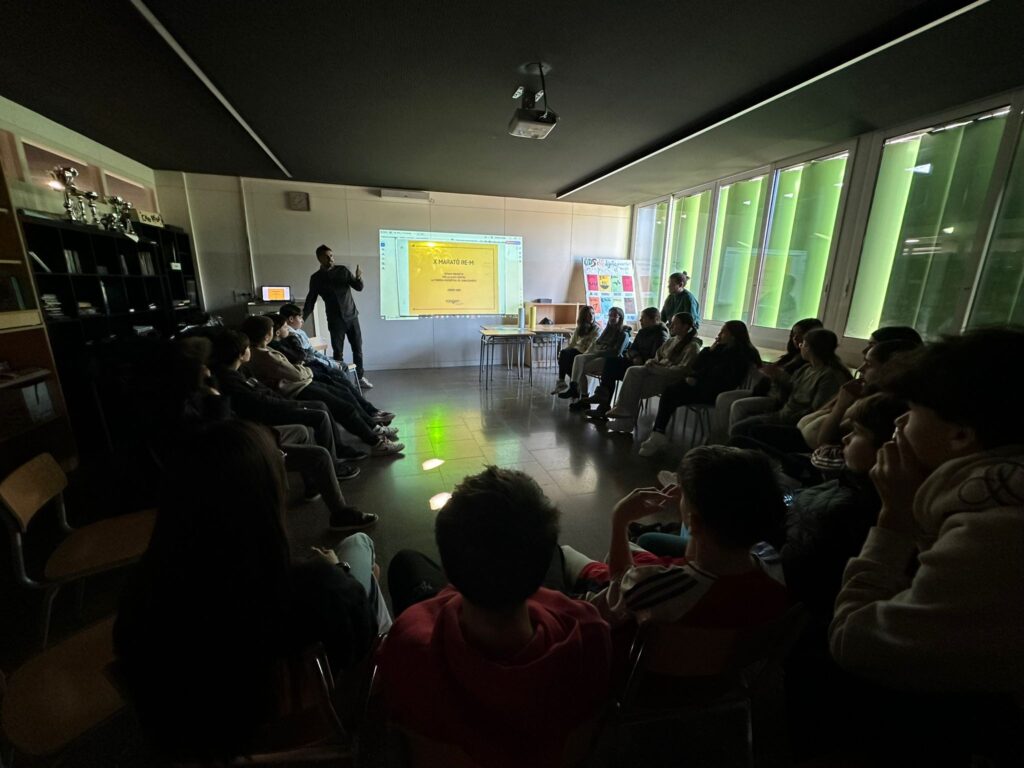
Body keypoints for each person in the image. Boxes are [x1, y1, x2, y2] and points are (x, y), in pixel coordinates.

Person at [114, 420, 389, 759]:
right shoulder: (312, 590)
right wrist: (340, 572)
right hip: (313, 732)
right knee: (358, 545)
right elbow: (360, 643)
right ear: (264, 496)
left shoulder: (141, 596)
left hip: (203, 748)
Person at [829, 328, 1024, 693]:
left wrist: (894, 522)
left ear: (961, 434)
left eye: (912, 410)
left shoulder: (992, 535)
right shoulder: (991, 496)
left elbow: (852, 642)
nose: (899, 423)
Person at [375, 467, 611, 768]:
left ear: (449, 572)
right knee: (555, 551)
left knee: (406, 562)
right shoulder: (589, 634)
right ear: (539, 574)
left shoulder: (408, 645)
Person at [562, 447, 788, 661]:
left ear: (694, 523)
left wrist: (619, 520)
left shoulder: (652, 586)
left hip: (631, 671)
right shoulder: (774, 570)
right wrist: (693, 504)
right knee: (636, 547)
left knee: (565, 553)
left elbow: (618, 584)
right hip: (722, 681)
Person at [782, 393, 907, 620]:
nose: (846, 439)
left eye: (857, 432)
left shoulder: (854, 511)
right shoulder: (851, 483)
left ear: (888, 447)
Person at [240, 315, 404, 456]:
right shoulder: (265, 355)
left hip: (302, 384)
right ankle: (376, 443)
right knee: (344, 408)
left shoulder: (264, 351)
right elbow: (296, 373)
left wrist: (302, 369)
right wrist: (306, 370)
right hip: (298, 389)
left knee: (344, 397)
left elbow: (296, 366)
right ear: (267, 334)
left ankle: (372, 431)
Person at [638, 320, 761, 456]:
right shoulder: (719, 349)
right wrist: (709, 351)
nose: (719, 334)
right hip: (703, 386)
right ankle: (658, 432)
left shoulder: (741, 355)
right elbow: (697, 366)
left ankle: (658, 433)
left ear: (733, 336)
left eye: (723, 332)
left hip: (717, 392)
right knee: (671, 391)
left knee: (672, 393)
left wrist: (698, 378)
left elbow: (721, 376)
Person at [729, 328, 852, 452]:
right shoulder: (806, 368)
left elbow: (816, 409)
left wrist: (783, 417)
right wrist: (777, 377)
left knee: (743, 430)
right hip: (784, 414)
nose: (800, 346)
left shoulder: (829, 376)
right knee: (740, 429)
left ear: (810, 348)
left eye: (803, 344)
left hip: (795, 422)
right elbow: (791, 390)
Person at [272, 307, 395, 425]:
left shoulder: (299, 332)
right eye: (299, 317)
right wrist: (330, 363)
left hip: (315, 365)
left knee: (344, 381)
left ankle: (369, 412)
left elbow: (312, 352)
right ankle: (367, 415)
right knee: (343, 385)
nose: (302, 320)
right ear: (291, 319)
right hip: (312, 368)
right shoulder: (290, 337)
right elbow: (305, 357)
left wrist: (330, 361)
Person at [598, 312, 701, 426]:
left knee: (636, 385)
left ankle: (625, 420)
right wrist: (651, 362)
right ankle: (623, 411)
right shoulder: (671, 340)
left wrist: (655, 368)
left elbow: (680, 371)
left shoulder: (692, 347)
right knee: (632, 371)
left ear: (685, 326)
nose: (671, 326)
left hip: (667, 378)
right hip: (656, 370)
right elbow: (657, 356)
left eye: (675, 324)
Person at [302, 244, 372, 389]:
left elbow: (358, 287)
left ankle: (360, 378)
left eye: (332, 256)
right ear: (319, 258)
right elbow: (310, 300)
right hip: (335, 320)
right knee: (338, 352)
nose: (331, 259)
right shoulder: (316, 278)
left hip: (352, 316)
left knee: (357, 349)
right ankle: (341, 381)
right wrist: (302, 318)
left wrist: (359, 277)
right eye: (327, 257)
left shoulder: (342, 271)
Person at [577, 306, 668, 416]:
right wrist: (635, 356)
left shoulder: (660, 335)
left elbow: (656, 356)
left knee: (613, 367)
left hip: (645, 367)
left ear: (654, 319)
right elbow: (632, 349)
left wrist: (640, 358)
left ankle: (606, 405)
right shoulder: (642, 332)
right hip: (635, 362)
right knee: (611, 363)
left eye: (643, 318)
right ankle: (602, 400)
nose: (640, 320)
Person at [559, 306, 628, 403]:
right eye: (610, 316)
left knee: (580, 367)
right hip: (597, 353)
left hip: (607, 359)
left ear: (620, 318)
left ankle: (583, 397)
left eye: (615, 316)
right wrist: (598, 349)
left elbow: (616, 352)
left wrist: (601, 350)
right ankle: (573, 387)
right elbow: (597, 343)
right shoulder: (607, 331)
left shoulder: (623, 334)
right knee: (578, 358)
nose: (612, 318)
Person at [550, 305, 599, 395]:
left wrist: (583, 355)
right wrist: (563, 353)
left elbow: (593, 346)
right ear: (583, 316)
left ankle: (565, 383)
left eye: (593, 313)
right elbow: (572, 344)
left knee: (567, 358)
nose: (591, 316)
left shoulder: (597, 329)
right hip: (576, 351)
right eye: (588, 314)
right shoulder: (579, 328)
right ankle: (569, 385)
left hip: (586, 353)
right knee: (563, 355)